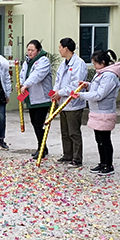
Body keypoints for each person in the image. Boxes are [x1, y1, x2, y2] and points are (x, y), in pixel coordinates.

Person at [73, 49, 120, 175]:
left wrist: (81, 95)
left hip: (105, 112)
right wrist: (87, 85)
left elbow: (100, 94)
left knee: (105, 140)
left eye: (95, 63)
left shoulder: (109, 75)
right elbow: (96, 88)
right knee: (98, 139)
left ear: (102, 62)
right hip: (97, 111)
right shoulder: (100, 73)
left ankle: (108, 164)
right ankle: (102, 162)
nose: (94, 66)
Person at [53, 38, 87, 167]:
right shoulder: (63, 63)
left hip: (73, 103)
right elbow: (58, 81)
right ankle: (67, 154)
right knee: (65, 131)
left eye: (60, 47)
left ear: (66, 48)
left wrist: (60, 92)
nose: (59, 50)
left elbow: (75, 85)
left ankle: (77, 158)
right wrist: (54, 93)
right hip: (62, 102)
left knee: (74, 132)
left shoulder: (79, 63)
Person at [19, 40, 54, 160]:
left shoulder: (43, 61)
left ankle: (41, 148)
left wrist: (26, 84)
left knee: (39, 124)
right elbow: (23, 75)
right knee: (34, 123)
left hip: (41, 98)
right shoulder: (27, 62)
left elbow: (37, 75)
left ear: (38, 50)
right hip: (31, 98)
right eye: (28, 50)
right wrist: (21, 83)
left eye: (32, 50)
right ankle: (42, 146)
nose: (29, 52)